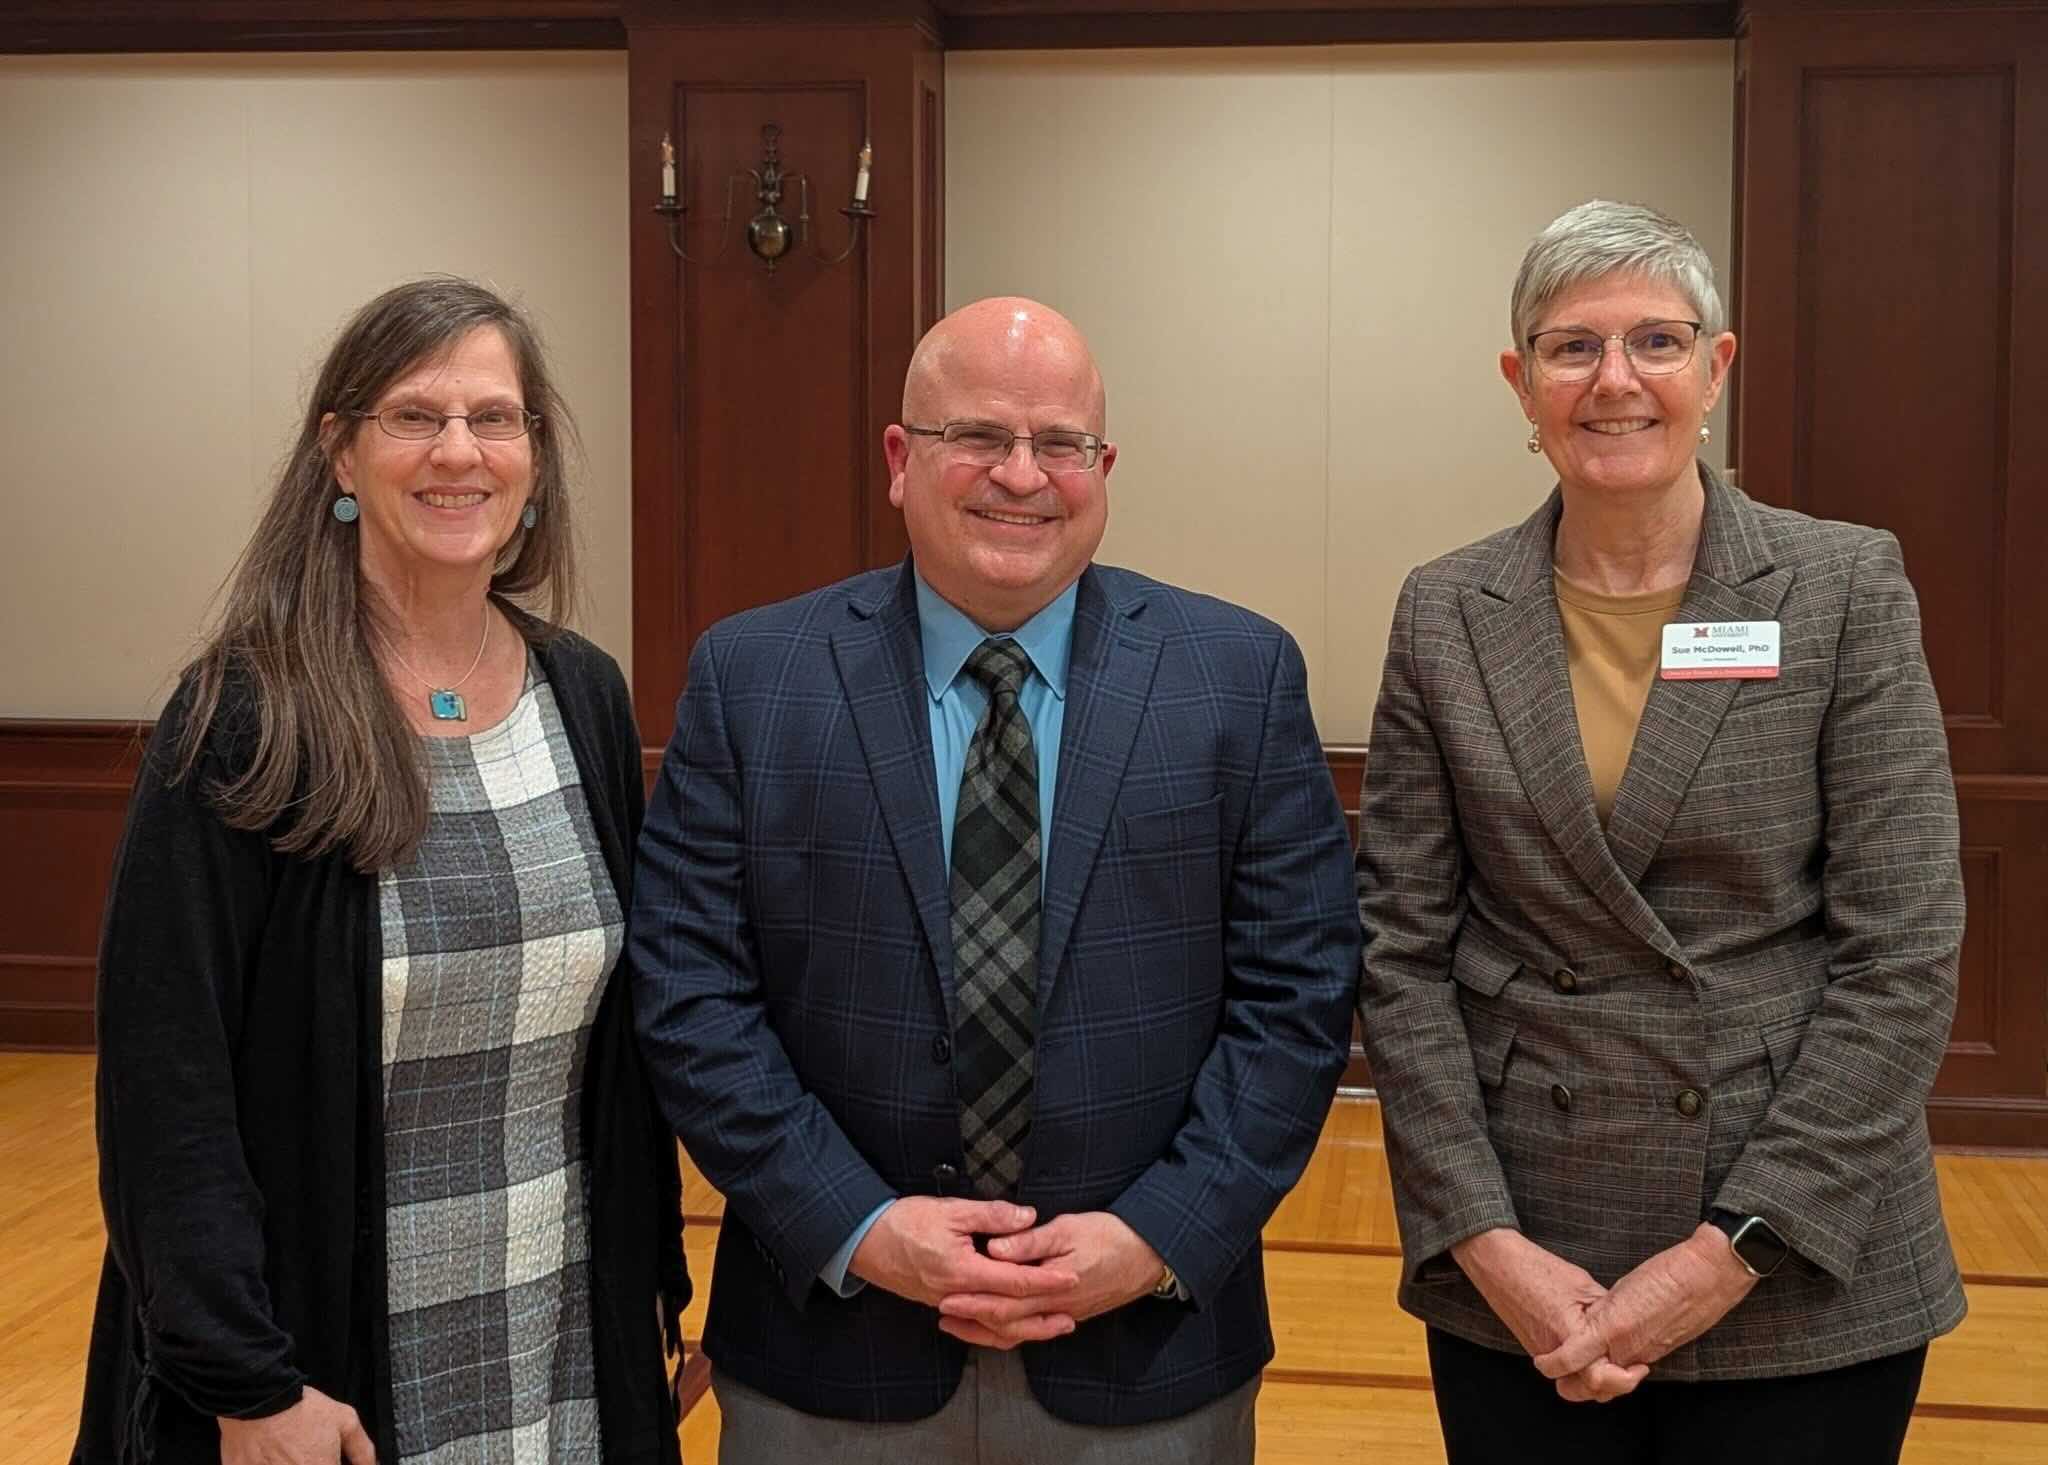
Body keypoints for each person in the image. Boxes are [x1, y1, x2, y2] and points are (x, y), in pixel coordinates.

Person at [630, 296, 1358, 1462]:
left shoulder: (1236, 678)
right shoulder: (751, 678)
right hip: (829, 1351)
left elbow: (1299, 999)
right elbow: (690, 996)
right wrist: (858, 1226)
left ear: (1103, 468)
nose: (1020, 475)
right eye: (977, 435)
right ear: (898, 458)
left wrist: (1154, 1235)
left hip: (1148, 1358)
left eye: (1058, 443)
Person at [1356, 199, 1967, 1464]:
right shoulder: (1443, 611)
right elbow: (1400, 957)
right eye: (1571, 348)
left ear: (1715, 367)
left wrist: (1727, 1251)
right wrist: (1479, 1236)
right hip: (1529, 1254)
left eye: (1655, 341)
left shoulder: (1842, 585)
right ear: (1519, 383)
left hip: (1799, 1243)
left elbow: (1899, 957)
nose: (1613, 381)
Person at [73, 278, 687, 1465]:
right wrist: (247, 1384)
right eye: (415, 416)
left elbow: (628, 1051)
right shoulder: (244, 721)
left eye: (494, 418)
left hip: (558, 1330)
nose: (459, 451)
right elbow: (166, 1091)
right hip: (323, 1368)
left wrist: (657, 1285)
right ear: (340, 456)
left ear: (535, 457)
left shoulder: (584, 697)